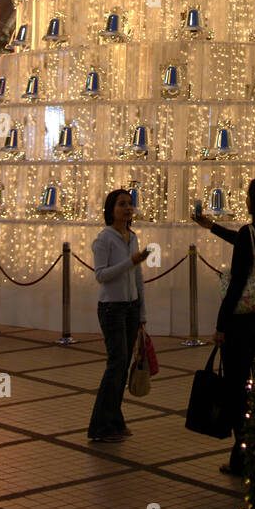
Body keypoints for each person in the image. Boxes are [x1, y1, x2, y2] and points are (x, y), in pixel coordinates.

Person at [196, 175, 255, 476]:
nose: (245, 199)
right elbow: (246, 246)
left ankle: (242, 456)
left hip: (241, 322)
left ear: (254, 200)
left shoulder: (250, 232)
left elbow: (236, 284)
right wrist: (213, 227)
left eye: (248, 194)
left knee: (236, 389)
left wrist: (221, 324)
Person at [87, 189, 149, 443]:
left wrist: (142, 312)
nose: (127, 208)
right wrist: (130, 261)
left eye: (130, 204)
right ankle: (100, 425)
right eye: (121, 204)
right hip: (112, 308)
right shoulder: (104, 239)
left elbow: (138, 278)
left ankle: (114, 419)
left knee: (122, 367)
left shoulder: (132, 237)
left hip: (131, 307)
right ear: (111, 209)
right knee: (116, 364)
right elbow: (101, 274)